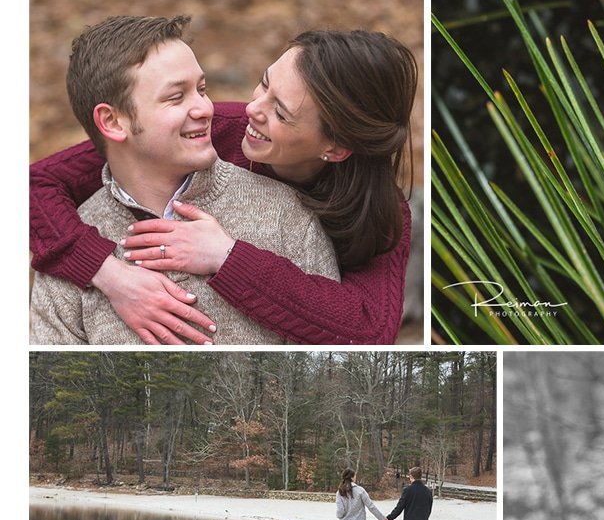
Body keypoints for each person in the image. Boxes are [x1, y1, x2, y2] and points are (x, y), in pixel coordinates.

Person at [30, 26, 415, 347]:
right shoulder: (218, 129)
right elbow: (34, 184)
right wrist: (109, 274)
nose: (251, 109)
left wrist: (228, 258)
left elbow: (369, 332)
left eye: (280, 111)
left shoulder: (379, 215)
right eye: (263, 85)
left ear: (335, 147)